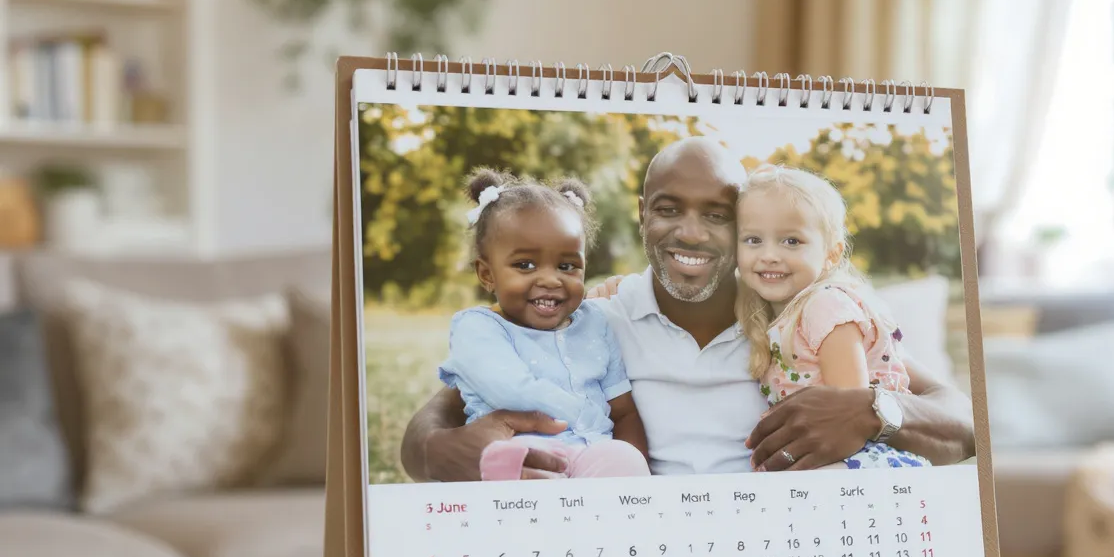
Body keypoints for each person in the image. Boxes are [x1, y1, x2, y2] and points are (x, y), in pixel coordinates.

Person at [400, 137, 975, 482]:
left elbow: (964, 422)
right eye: (668, 209)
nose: (690, 233)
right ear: (643, 214)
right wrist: (435, 450)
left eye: (718, 215)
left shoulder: (797, 316)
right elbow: (436, 419)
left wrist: (874, 410)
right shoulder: (594, 314)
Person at [433, 168, 650, 481]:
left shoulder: (594, 323)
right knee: (519, 456)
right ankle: (499, 473)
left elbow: (623, 409)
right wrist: (585, 414)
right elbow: (512, 392)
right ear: (487, 274)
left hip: (592, 453)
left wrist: (635, 464)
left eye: (567, 266)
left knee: (622, 457)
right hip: (527, 451)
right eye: (525, 265)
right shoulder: (477, 328)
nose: (550, 279)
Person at [735, 164, 928, 469]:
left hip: (856, 457)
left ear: (831, 254)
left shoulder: (825, 306)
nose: (769, 254)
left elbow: (849, 410)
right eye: (753, 240)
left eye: (791, 241)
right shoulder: (775, 312)